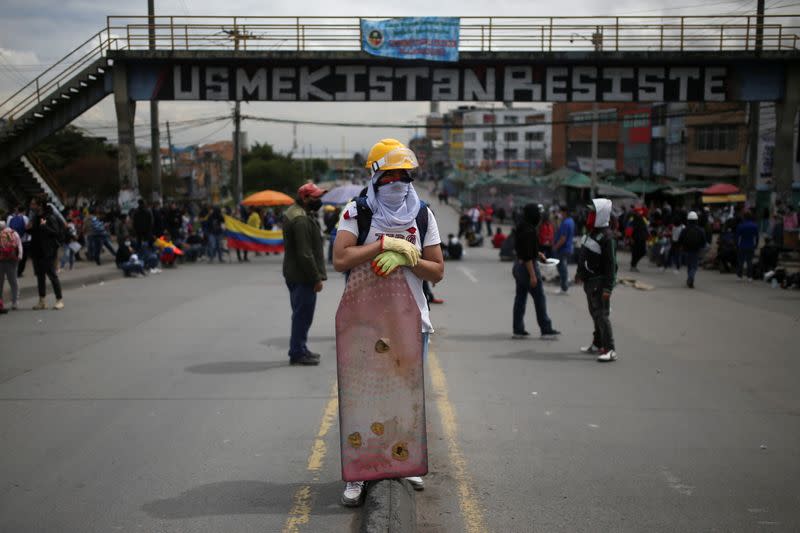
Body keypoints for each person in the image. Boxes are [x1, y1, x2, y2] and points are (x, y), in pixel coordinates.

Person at [333, 138, 443, 507]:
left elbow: (437, 270)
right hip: (363, 321)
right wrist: (383, 246)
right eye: (390, 174)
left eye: (404, 174)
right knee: (361, 398)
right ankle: (359, 474)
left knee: (405, 395)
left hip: (410, 319)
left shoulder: (422, 214)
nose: (398, 181)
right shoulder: (357, 211)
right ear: (376, 175)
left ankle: (402, 462)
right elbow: (341, 259)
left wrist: (407, 258)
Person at [283, 182, 328, 366]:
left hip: (296, 273)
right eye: (315, 197)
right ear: (305, 198)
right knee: (302, 315)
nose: (319, 200)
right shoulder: (300, 219)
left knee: (301, 314)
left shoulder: (298, 213)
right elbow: (305, 252)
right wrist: (315, 278)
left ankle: (301, 348)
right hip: (303, 276)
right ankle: (297, 352)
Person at [576, 199, 617, 362]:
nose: (590, 215)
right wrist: (579, 272)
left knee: (602, 315)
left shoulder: (607, 237)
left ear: (601, 214)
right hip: (589, 282)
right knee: (595, 314)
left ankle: (610, 349)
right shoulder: (591, 232)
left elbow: (611, 265)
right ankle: (597, 343)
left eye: (593, 212)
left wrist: (608, 288)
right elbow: (584, 255)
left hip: (599, 283)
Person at [512, 204, 561, 340]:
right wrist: (533, 275)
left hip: (518, 266)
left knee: (520, 299)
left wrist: (538, 254)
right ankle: (546, 329)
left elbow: (525, 249)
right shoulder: (529, 230)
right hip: (527, 268)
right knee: (539, 298)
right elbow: (527, 256)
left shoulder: (522, 227)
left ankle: (518, 329)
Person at [29, 194, 64, 310]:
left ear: (40, 205)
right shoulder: (35, 217)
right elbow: (35, 232)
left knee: (52, 275)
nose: (31, 205)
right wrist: (29, 229)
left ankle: (59, 300)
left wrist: (45, 228)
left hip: (48, 251)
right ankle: (41, 301)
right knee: (40, 277)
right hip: (37, 250)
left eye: (34, 204)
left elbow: (56, 232)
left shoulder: (48, 216)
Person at [678, 211, 706, 289]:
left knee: (689, 266)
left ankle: (690, 278)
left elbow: (680, 239)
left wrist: (681, 247)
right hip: (696, 250)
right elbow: (704, 241)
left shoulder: (685, 230)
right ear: (696, 220)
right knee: (694, 266)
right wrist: (702, 247)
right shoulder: (700, 230)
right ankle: (691, 277)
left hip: (686, 250)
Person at [0, 220, 23, 310]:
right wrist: (20, 256)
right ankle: (15, 302)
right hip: (12, 260)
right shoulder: (14, 233)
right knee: (13, 281)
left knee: (0, 283)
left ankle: (0, 302)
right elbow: (19, 244)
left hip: (1, 260)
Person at [552, 205, 575, 294]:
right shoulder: (570, 221)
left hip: (563, 249)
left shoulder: (566, 223)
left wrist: (556, 247)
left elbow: (563, 238)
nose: (559, 214)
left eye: (560, 212)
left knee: (562, 268)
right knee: (563, 267)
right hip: (567, 248)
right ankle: (564, 285)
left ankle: (564, 287)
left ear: (564, 212)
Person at [7, 205, 30, 278]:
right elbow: (28, 228)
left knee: (14, 257)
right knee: (23, 257)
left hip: (14, 241)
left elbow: (8, 229)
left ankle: (12, 272)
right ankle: (19, 272)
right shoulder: (25, 218)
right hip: (24, 241)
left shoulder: (11, 218)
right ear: (24, 211)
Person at [736, 211, 759, 281]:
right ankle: (749, 276)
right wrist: (756, 245)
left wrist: (737, 245)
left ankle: (740, 276)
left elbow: (737, 237)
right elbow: (757, 237)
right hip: (751, 245)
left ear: (744, 217)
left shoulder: (740, 226)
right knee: (749, 261)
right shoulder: (755, 226)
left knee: (741, 261)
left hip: (742, 245)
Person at [629, 207, 649, 272]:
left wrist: (647, 236)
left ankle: (634, 264)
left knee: (643, 252)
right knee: (635, 252)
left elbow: (646, 227)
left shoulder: (643, 218)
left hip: (642, 238)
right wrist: (630, 238)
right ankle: (633, 266)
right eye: (638, 212)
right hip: (635, 238)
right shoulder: (632, 219)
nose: (640, 213)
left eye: (640, 212)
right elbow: (629, 229)